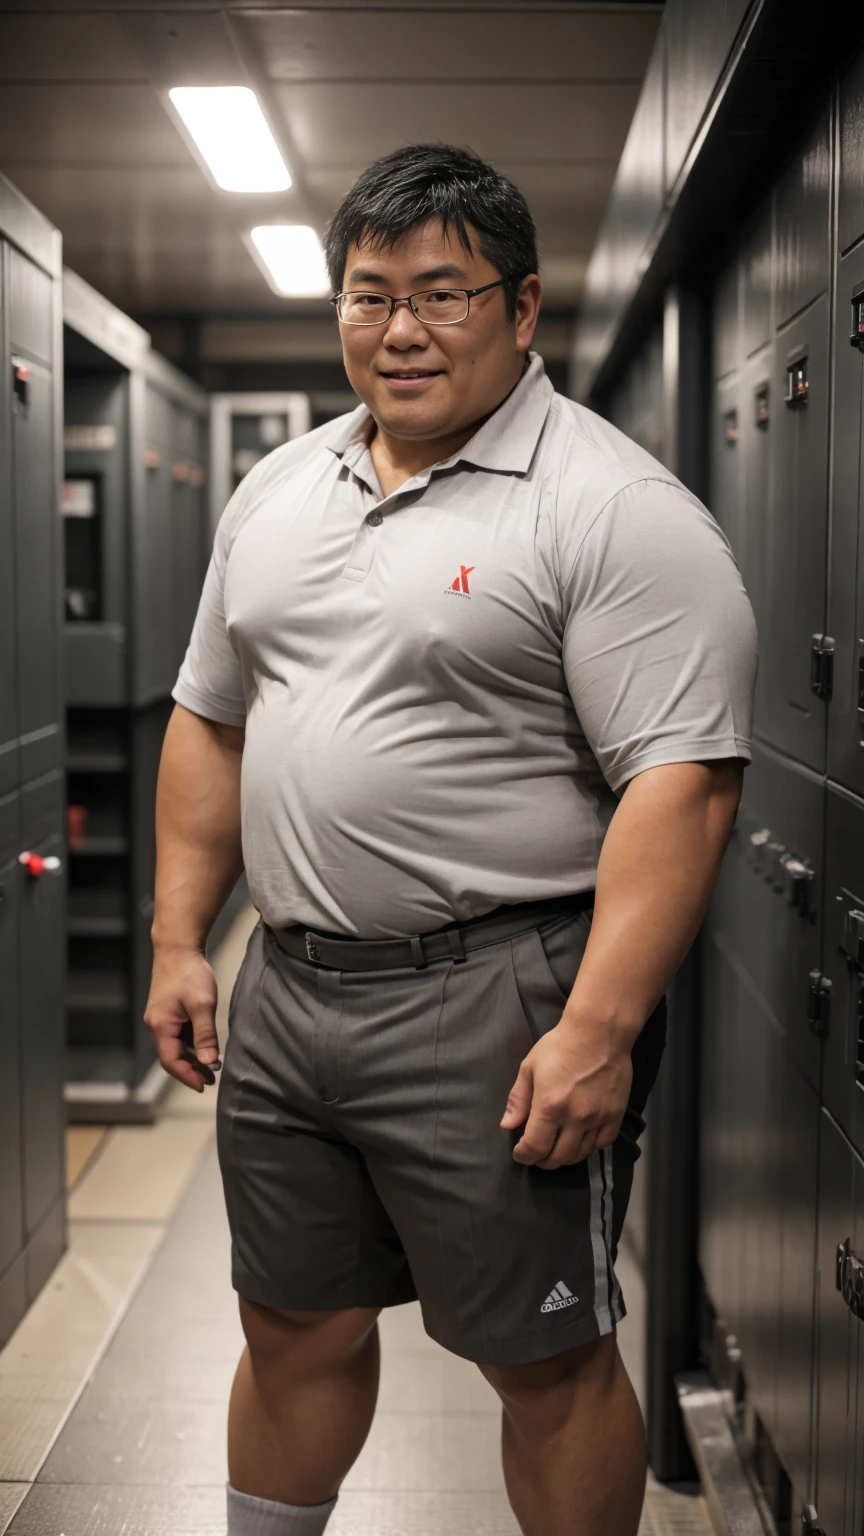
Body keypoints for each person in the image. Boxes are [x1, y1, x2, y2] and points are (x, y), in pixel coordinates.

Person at [144, 144, 756, 1536]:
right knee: (291, 1323)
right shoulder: (279, 492)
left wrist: (600, 1025)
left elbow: (685, 784)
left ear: (523, 308)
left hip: (502, 991)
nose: (401, 330)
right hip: (292, 989)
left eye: (443, 293)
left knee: (540, 1359)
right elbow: (211, 719)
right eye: (369, 296)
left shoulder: (611, 510)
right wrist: (185, 938)